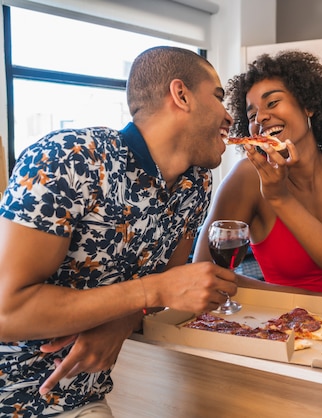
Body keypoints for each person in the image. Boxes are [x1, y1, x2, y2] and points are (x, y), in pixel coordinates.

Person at [0, 46, 235, 417]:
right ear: (181, 95)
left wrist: (122, 322)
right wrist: (152, 289)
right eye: (219, 97)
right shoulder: (69, 158)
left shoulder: (197, 184)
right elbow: (5, 312)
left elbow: (167, 285)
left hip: (82, 399)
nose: (229, 115)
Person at [193, 50, 322, 318]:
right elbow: (205, 272)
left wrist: (282, 199)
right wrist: (311, 301)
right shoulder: (248, 177)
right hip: (286, 317)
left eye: (272, 103)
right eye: (251, 114)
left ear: (308, 106)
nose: (260, 118)